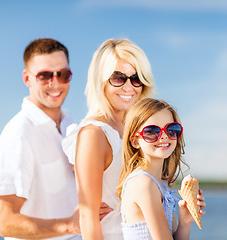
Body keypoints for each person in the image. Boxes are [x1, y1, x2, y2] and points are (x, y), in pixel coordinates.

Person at [0, 38, 110, 240]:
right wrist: (68, 226)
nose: (55, 83)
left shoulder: (70, 122)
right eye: (44, 75)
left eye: (63, 74)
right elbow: (5, 222)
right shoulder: (19, 134)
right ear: (27, 79)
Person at [62, 38, 155, 240]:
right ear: (101, 80)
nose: (129, 87)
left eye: (136, 78)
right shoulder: (94, 134)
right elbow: (88, 219)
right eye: (119, 78)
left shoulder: (144, 130)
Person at [116, 98, 206, 240]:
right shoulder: (143, 183)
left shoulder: (161, 184)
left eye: (171, 129)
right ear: (135, 141)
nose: (164, 136)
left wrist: (185, 221)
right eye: (152, 131)